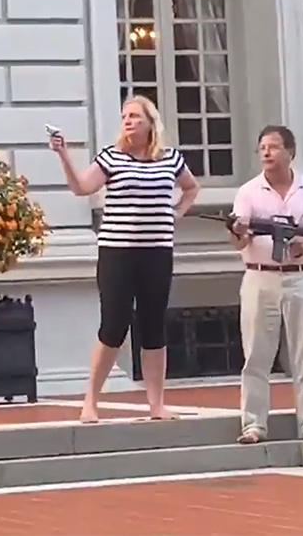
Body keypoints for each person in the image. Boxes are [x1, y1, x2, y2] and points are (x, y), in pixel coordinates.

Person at [50, 95, 200, 423]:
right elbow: (82, 187)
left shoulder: (170, 159)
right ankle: (91, 401)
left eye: (134, 116)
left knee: (153, 326)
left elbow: (191, 188)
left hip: (157, 252)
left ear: (150, 122)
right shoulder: (112, 157)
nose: (128, 121)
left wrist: (177, 212)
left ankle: (157, 404)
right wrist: (64, 155)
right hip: (117, 253)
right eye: (124, 116)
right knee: (114, 325)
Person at [229, 125, 303, 444]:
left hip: (302, 275)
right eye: (262, 148)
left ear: (290, 152)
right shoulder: (248, 192)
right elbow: (238, 242)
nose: (266, 153)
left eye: (273, 147)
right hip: (260, 276)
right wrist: (238, 231)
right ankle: (253, 424)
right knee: (256, 354)